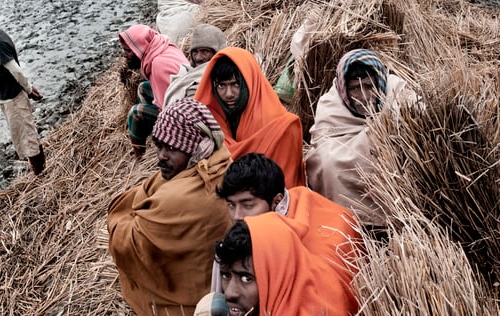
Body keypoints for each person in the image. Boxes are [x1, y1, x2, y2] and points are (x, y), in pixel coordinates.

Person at [108, 99, 233, 316]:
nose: (161, 157)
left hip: (184, 304)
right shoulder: (222, 161)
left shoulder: (181, 197)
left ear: (197, 147)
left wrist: (124, 215)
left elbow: (126, 245)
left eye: (172, 149)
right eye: (159, 146)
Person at [210, 153, 360, 315]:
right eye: (231, 205)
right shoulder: (247, 232)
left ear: (276, 202)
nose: (237, 216)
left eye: (248, 205)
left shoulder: (318, 254)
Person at [306, 49, 418, 227]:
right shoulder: (331, 104)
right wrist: (371, 135)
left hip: (394, 187)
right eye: (354, 88)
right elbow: (324, 145)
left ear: (380, 82)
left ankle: (390, 223)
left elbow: (420, 119)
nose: (363, 96)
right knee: (326, 162)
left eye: (368, 86)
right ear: (344, 88)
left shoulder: (396, 91)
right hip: (346, 173)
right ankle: (346, 221)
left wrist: (386, 126)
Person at [194, 47, 305, 188]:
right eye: (221, 85)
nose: (228, 94)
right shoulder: (209, 122)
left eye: (235, 84)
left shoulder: (281, 128)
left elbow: (283, 187)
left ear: (250, 82)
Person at [212, 213, 352, 316]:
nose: (229, 293)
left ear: (279, 276)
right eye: (225, 275)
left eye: (246, 278)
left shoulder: (320, 311)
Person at [0, 0, 45, 175]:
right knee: (20, 134)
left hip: (13, 96)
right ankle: (39, 170)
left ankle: (41, 174)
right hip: (4, 95)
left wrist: (28, 88)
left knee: (28, 135)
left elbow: (15, 70)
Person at [119, 24, 189, 156]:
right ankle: (149, 135)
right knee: (143, 88)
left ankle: (139, 156)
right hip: (181, 97)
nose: (125, 55)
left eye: (128, 51)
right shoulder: (163, 46)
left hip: (183, 118)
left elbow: (168, 110)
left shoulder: (158, 64)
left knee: (135, 113)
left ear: (139, 48)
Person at [163, 24, 227, 107]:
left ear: (217, 53)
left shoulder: (224, 78)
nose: (198, 57)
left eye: (205, 51)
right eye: (195, 52)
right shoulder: (184, 73)